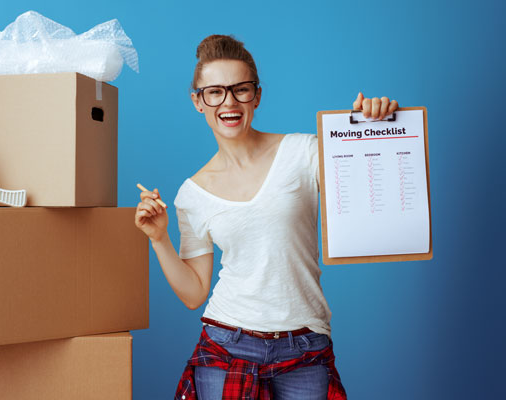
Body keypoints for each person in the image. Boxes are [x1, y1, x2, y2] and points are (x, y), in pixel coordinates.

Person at [133, 34, 397, 400]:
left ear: (256, 95)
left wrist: (374, 126)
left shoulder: (303, 151)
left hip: (304, 345)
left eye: (240, 89)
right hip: (227, 343)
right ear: (198, 102)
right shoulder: (191, 194)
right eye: (214, 92)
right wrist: (159, 239)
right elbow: (194, 293)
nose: (229, 101)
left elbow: (371, 182)